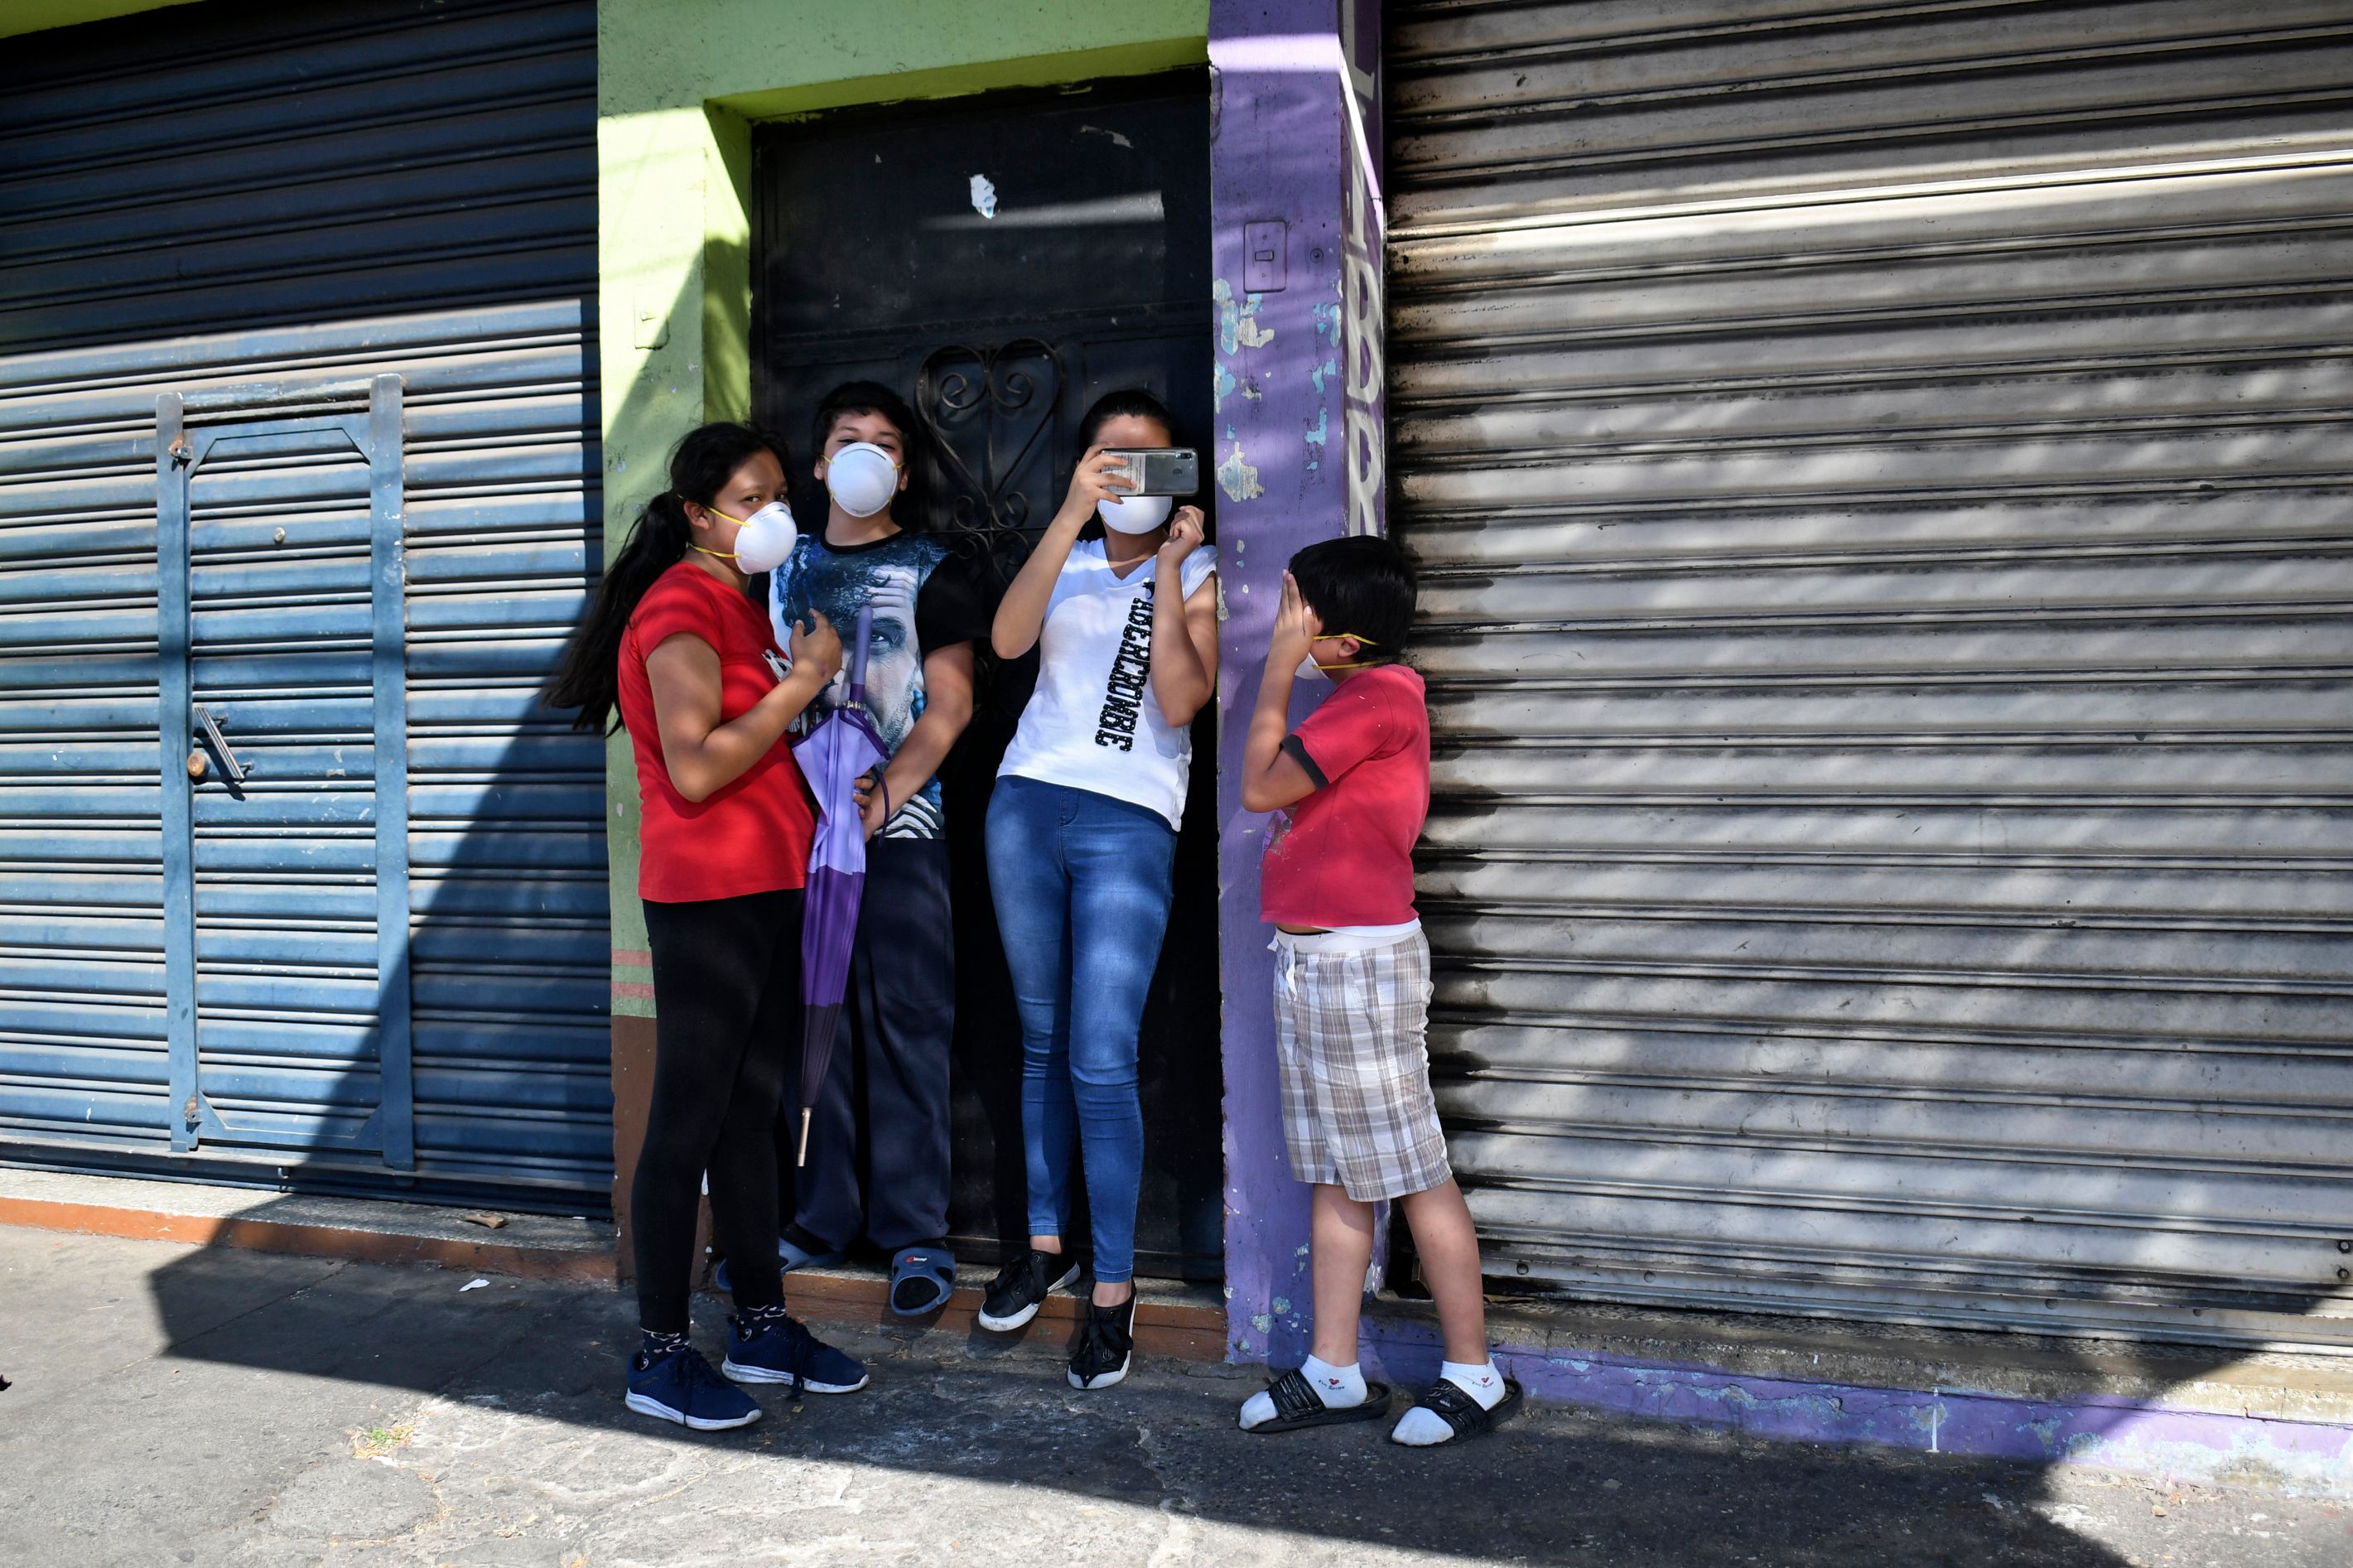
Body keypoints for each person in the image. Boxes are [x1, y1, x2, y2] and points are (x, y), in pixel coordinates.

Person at [543, 422, 870, 1430]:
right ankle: (658, 1351)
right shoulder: (682, 602)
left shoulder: (744, 600)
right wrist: (807, 681)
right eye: (749, 498)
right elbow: (694, 764)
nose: (772, 512)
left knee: (749, 1114)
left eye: (781, 493)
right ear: (698, 514)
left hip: (767, 881)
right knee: (688, 1115)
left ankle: (761, 1323)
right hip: (706, 893)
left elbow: (761, 742)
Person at [1230, 534, 1521, 1446]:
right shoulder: (1363, 693)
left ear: (1344, 638)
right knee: (1339, 1172)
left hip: (1359, 967)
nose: (1288, 626)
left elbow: (1257, 786)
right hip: (1316, 963)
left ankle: (1474, 1374)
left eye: (1300, 614)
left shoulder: (1377, 701)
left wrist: (1277, 669)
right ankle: (1335, 1367)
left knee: (1415, 1171)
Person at [979, 388, 1218, 1390]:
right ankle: (1045, 1243)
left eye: (1147, 463)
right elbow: (1004, 643)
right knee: (1039, 1040)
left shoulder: (1201, 569)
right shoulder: (1066, 552)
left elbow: (1177, 697)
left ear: (1180, 475)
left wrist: (1166, 569)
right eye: (1107, 461)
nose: (1128, 479)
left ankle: (1114, 1293)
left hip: (1129, 820)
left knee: (1101, 1057)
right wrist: (1073, 513)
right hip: (1026, 805)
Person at [763, 381, 995, 1315]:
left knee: (906, 1024)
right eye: (848, 439)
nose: (866, 455)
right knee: (811, 1027)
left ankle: (913, 1235)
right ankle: (821, 1219)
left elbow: (952, 708)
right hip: (792, 843)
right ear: (818, 464)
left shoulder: (937, 567)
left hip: (900, 837)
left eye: (886, 443)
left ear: (904, 467)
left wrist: (884, 794)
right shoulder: (778, 568)